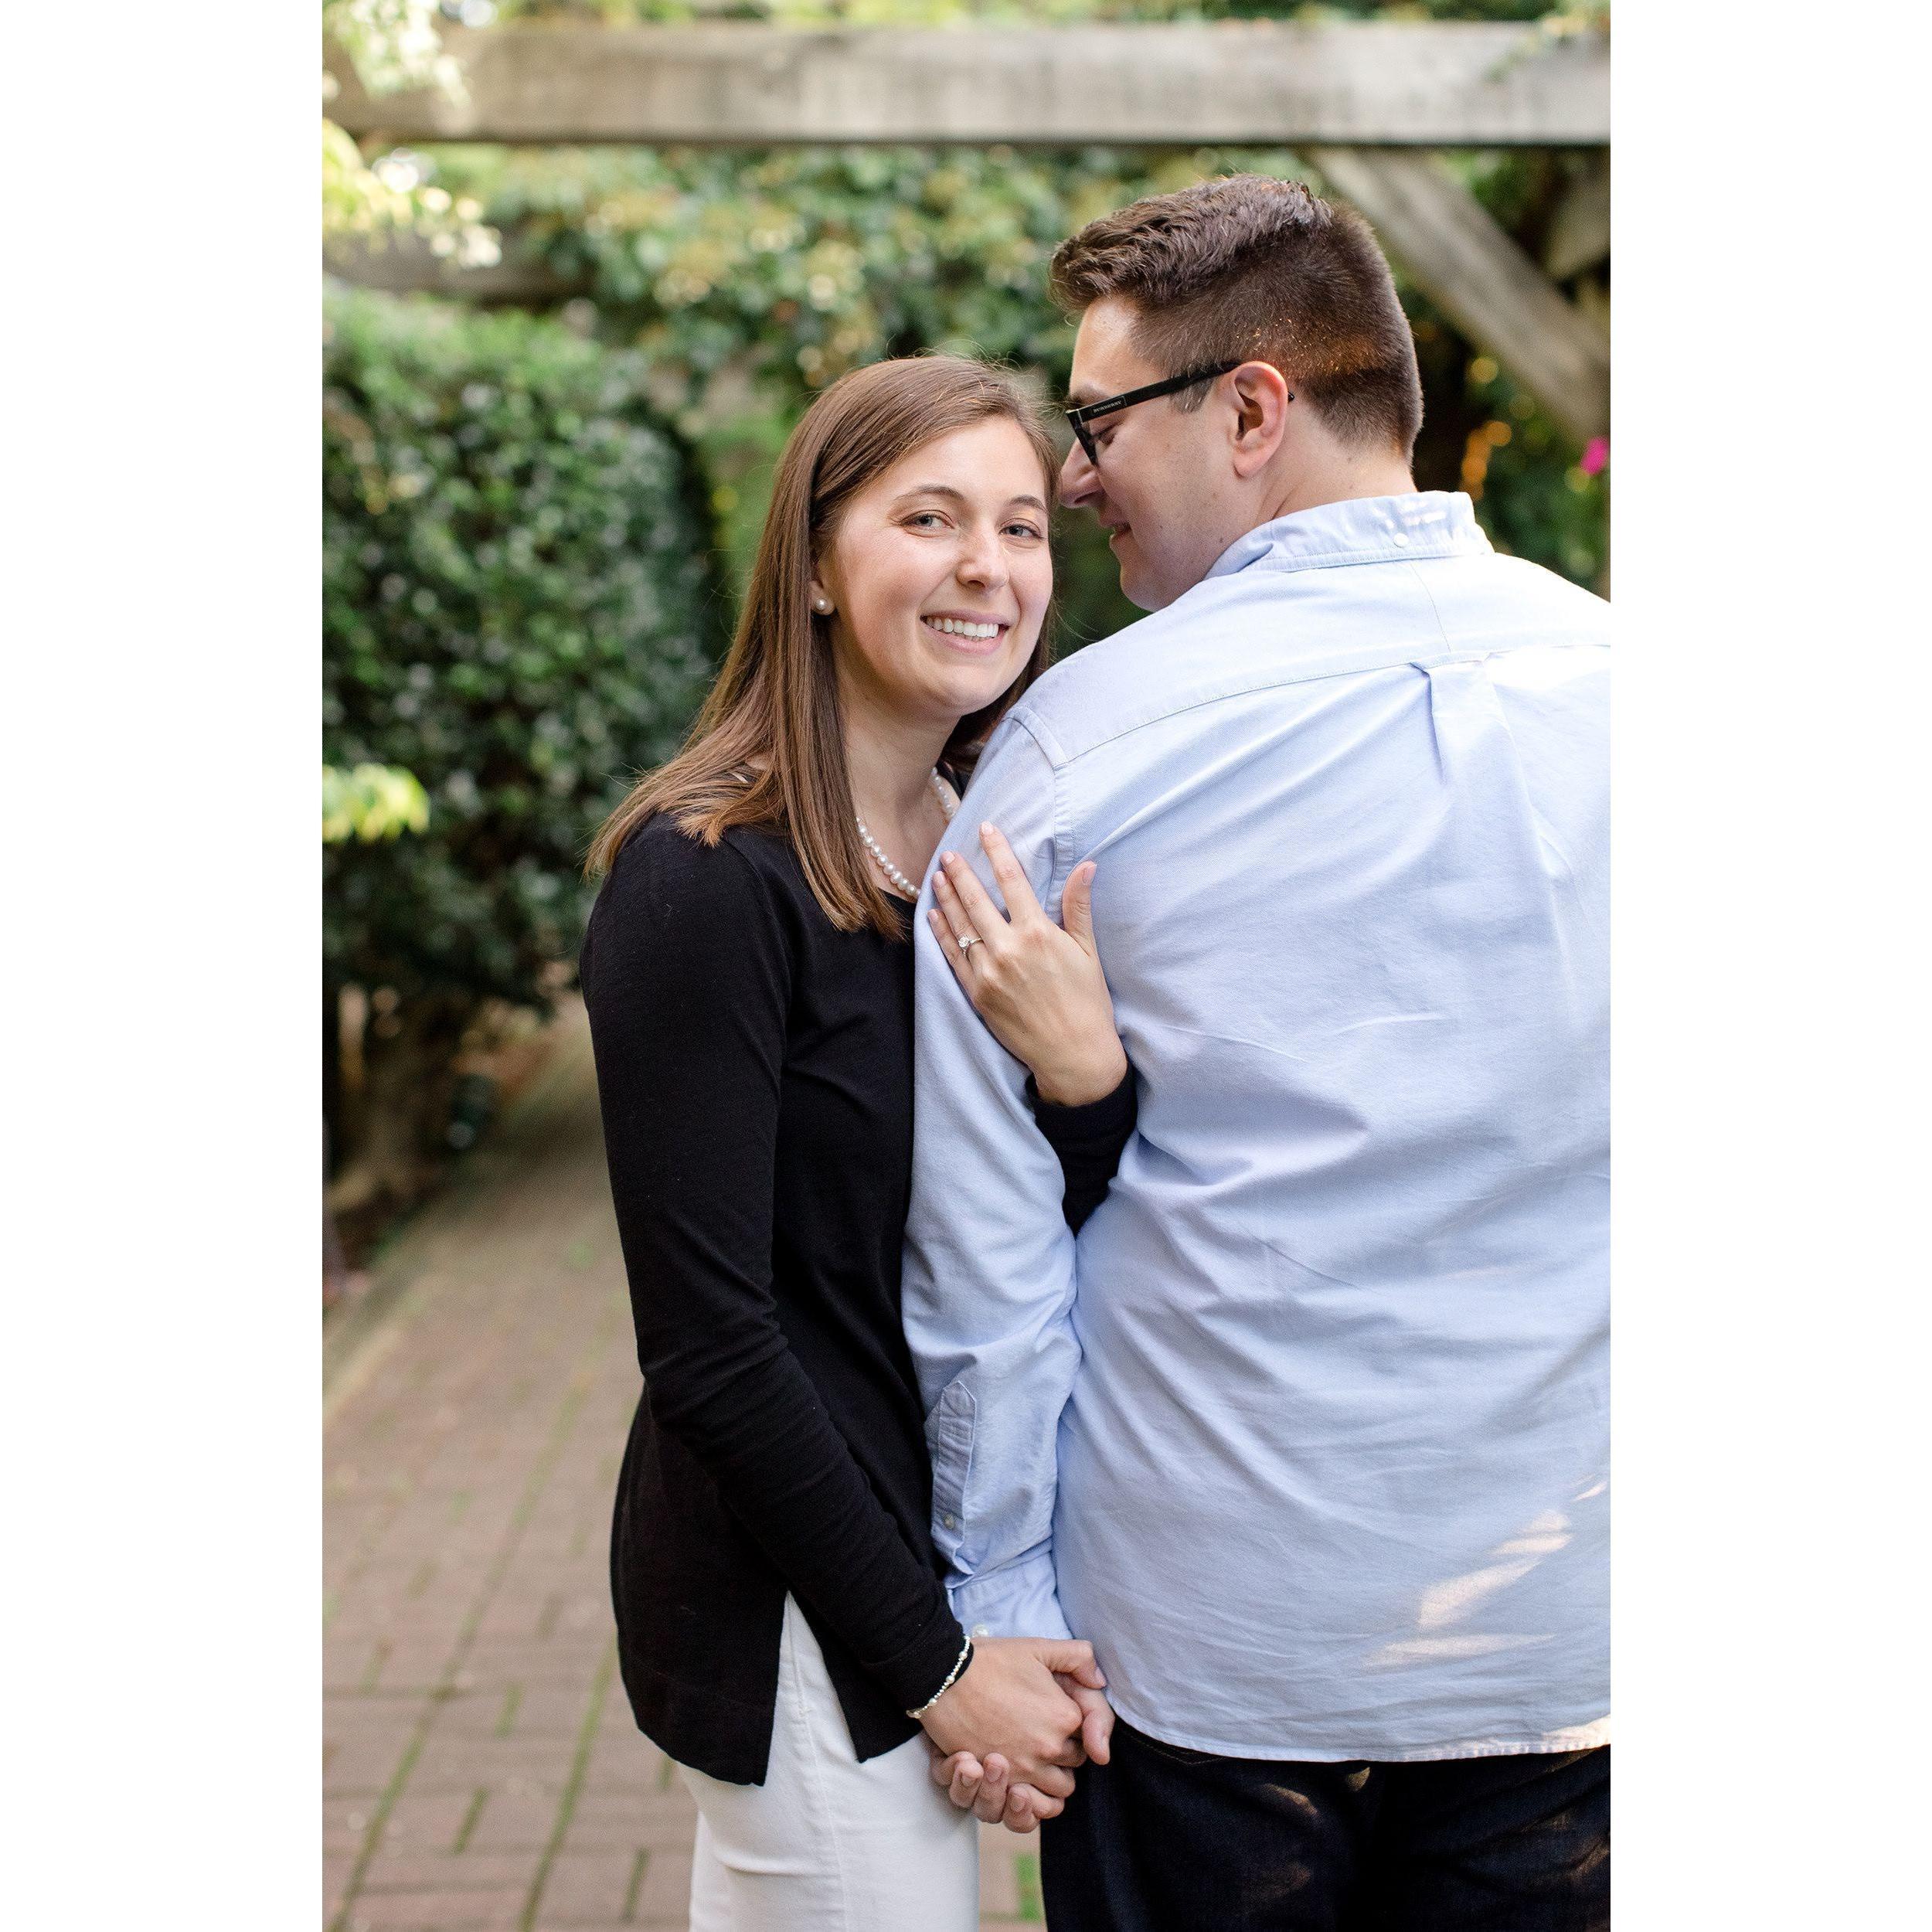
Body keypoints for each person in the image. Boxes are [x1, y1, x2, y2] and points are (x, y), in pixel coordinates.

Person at [903, 175, 1611, 1929]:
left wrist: (997, 1598)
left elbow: (986, 1254)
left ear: (1249, 409)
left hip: (1210, 1641)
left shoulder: (1071, 751)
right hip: (1572, 1630)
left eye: (1096, 425)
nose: (1074, 479)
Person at [577, 355, 1131, 1932]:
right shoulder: (705, 879)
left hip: (935, 1546)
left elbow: (1036, 1225)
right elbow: (710, 1347)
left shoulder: (980, 864)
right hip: (805, 1602)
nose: (988, 565)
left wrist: (1087, 1078)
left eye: (1020, 526)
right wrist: (939, 1670)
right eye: (929, 518)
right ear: (816, 565)